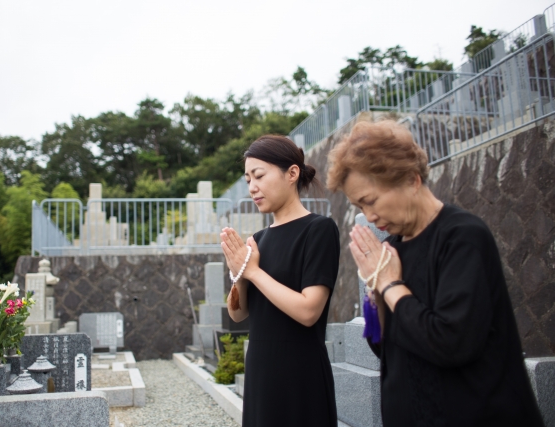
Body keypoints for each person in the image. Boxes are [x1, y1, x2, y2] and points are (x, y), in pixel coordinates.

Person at [326, 120, 544, 427]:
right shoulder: (390, 250)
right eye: (358, 206)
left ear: (411, 179)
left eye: (370, 200)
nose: (369, 216)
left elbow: (452, 342)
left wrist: (390, 283)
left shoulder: (463, 237)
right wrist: (373, 289)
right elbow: (380, 343)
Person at [221, 134, 340, 427]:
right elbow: (237, 314)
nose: (252, 187)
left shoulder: (318, 230)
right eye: (248, 179)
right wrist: (238, 275)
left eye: (259, 175)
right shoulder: (258, 241)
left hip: (301, 374)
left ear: (292, 173)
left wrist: (253, 272)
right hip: (261, 370)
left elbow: (309, 311)